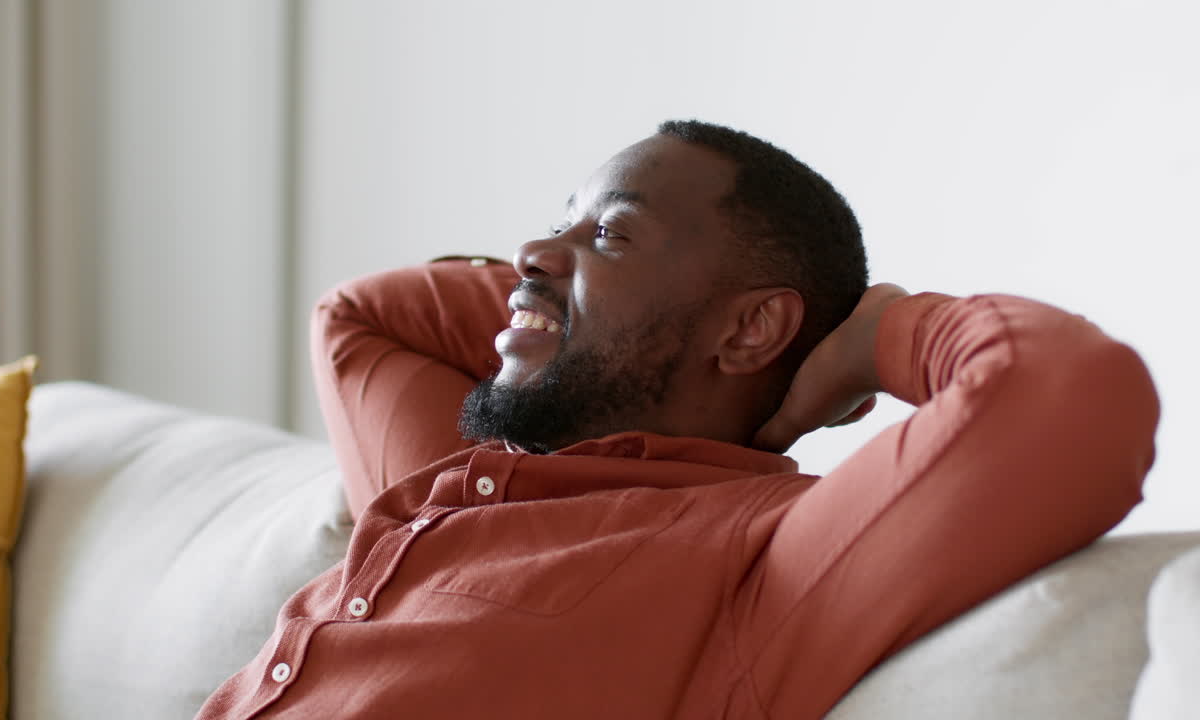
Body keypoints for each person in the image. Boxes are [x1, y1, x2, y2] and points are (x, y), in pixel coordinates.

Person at [194, 120, 1158, 719]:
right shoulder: (464, 478)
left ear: (750, 328)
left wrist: (878, 335)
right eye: (560, 222)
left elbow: (1072, 395)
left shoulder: (764, 557)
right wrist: (558, 297)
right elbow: (361, 317)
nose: (532, 248)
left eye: (611, 232)